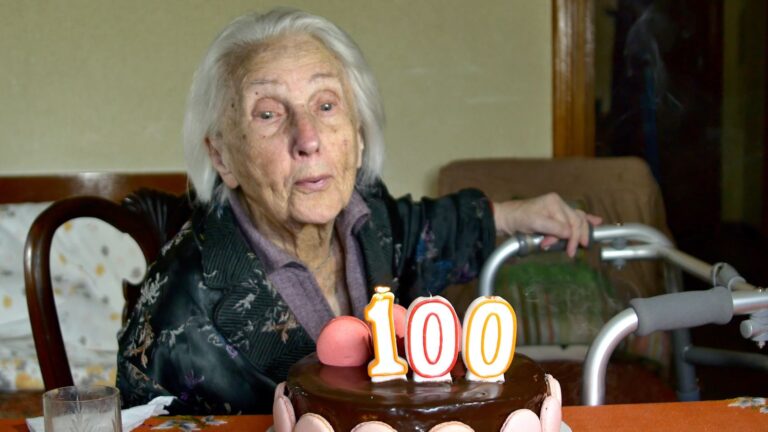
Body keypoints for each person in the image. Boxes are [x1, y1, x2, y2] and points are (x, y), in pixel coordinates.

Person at [116, 7, 601, 415]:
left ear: (360, 134)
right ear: (223, 156)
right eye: (268, 113)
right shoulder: (174, 314)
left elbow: (422, 229)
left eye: (326, 105)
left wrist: (514, 214)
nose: (308, 138)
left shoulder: (367, 216)